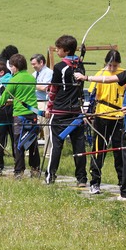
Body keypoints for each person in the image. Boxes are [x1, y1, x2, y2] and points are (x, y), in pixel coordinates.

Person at [0, 53, 41, 178]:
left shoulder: (13, 80)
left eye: (12, 66)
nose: (11, 69)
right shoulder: (31, 78)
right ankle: (35, 168)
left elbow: (2, 100)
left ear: (15, 67)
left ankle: (19, 171)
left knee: (18, 144)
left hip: (20, 115)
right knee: (32, 141)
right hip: (33, 113)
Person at [45, 35, 87, 186]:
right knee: (79, 145)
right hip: (76, 111)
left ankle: (50, 176)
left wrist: (49, 107)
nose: (57, 51)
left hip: (60, 111)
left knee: (56, 145)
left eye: (59, 49)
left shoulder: (59, 67)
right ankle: (82, 178)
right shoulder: (80, 65)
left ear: (66, 50)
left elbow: (54, 89)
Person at [85, 49, 125, 195]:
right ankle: (95, 182)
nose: (113, 68)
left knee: (119, 151)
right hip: (102, 116)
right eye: (110, 65)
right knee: (98, 149)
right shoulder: (100, 74)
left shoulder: (123, 74)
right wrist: (89, 112)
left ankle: (123, 182)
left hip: (119, 117)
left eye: (115, 65)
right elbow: (92, 95)